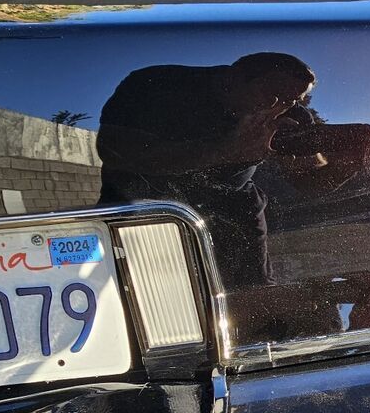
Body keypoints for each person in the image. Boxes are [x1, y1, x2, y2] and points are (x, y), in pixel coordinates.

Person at [97, 53, 318, 286]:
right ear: (233, 78)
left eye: (294, 100)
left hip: (235, 205)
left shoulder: (291, 115)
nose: (279, 107)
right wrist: (226, 150)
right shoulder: (157, 85)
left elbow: (310, 179)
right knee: (131, 286)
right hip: (145, 201)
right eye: (274, 94)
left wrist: (332, 153)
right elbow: (115, 151)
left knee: (254, 289)